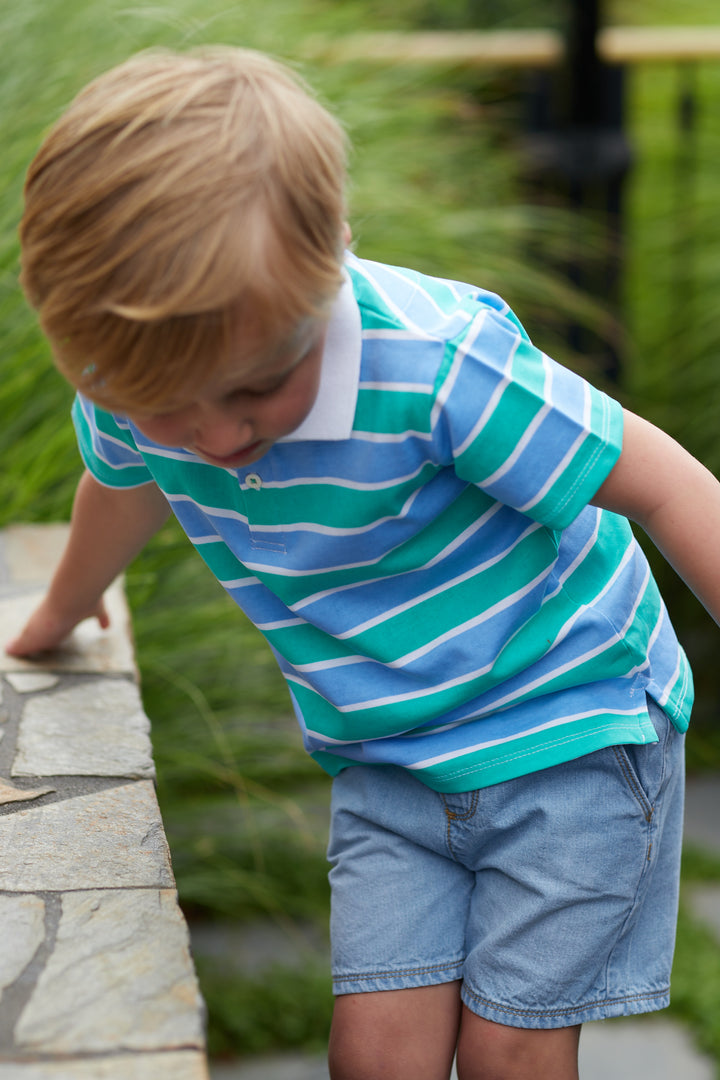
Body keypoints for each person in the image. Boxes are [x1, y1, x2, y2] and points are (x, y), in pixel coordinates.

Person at [7, 46, 720, 1080]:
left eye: (257, 388)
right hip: (388, 755)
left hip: (569, 726)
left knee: (511, 1049)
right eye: (171, 409)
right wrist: (58, 612)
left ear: (332, 260)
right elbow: (123, 487)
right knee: (375, 1056)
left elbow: (664, 482)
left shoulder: (441, 368)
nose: (213, 438)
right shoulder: (136, 377)